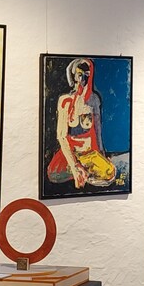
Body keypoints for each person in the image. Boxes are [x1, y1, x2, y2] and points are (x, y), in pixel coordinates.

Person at [49, 58, 118, 189]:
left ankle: (86, 173)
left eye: (87, 75)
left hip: (89, 155)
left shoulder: (94, 100)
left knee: (109, 172)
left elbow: (97, 131)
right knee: (54, 173)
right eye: (79, 74)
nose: (82, 79)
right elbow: (61, 137)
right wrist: (75, 166)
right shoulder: (65, 101)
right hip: (70, 156)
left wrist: (102, 155)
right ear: (73, 76)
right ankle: (81, 173)